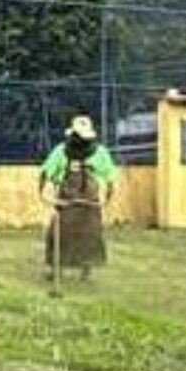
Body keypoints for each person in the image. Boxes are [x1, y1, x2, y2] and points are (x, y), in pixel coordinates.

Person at [38, 115, 118, 280]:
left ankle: (84, 269)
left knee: (88, 235)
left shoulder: (98, 152)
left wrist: (107, 198)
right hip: (70, 201)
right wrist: (42, 192)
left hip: (86, 201)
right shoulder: (61, 151)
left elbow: (110, 179)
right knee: (61, 234)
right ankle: (59, 269)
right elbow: (46, 172)